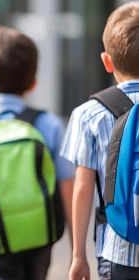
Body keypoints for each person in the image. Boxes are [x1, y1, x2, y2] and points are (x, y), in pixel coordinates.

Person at [0, 26, 75, 280]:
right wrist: (77, 252)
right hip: (40, 237)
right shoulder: (47, 124)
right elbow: (67, 186)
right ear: (33, 83)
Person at [62, 2, 139, 279]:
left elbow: (82, 188)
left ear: (107, 61)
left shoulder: (88, 114)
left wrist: (78, 256)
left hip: (116, 248)